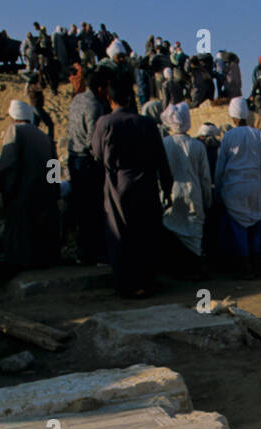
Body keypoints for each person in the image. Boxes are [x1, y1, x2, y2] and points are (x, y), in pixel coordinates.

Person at [91, 71, 172, 297]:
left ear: (110, 99)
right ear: (130, 98)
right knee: (145, 233)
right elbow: (161, 159)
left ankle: (126, 284)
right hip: (146, 185)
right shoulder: (147, 124)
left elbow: (96, 155)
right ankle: (146, 282)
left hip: (118, 186)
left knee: (120, 234)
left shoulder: (105, 123)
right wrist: (167, 187)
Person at [215, 96, 261, 275]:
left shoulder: (228, 136)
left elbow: (220, 167)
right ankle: (255, 262)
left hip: (234, 188)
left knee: (238, 228)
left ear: (232, 117)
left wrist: (217, 191)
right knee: (255, 225)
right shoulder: (258, 135)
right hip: (255, 188)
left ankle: (244, 265)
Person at [0, 100, 60, 269]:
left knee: (20, 236)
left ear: (13, 117)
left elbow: (8, 163)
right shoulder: (44, 136)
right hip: (44, 197)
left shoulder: (15, 131)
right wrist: (54, 190)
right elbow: (54, 166)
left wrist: (0, 185)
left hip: (22, 195)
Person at [159, 101, 212, 275]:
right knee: (194, 233)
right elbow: (205, 177)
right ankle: (195, 268)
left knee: (173, 229)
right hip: (193, 194)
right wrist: (207, 199)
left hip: (172, 195)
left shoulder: (164, 144)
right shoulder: (198, 146)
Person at [67, 65, 107, 265]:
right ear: (100, 88)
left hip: (73, 157)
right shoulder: (94, 105)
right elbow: (95, 139)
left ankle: (82, 253)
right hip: (87, 161)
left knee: (81, 207)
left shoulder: (76, 100)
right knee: (95, 208)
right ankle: (98, 254)